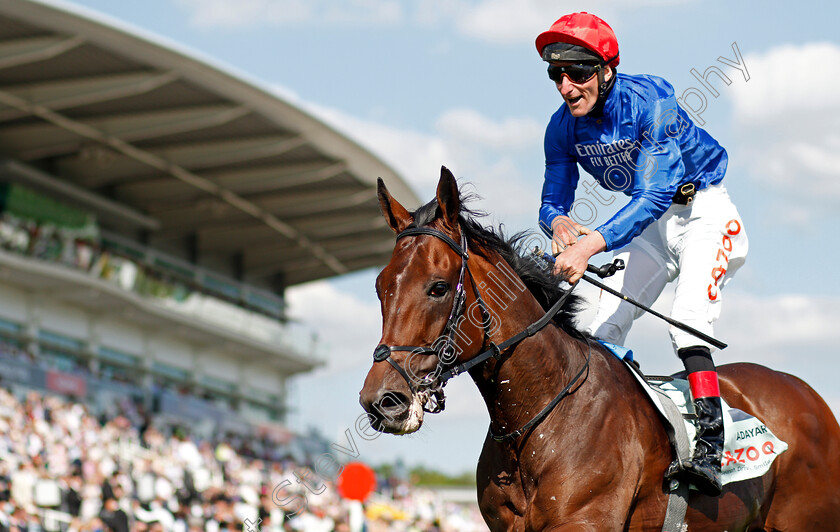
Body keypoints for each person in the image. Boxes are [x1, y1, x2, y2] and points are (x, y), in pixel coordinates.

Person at [535, 12, 748, 496]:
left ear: (608, 69)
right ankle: (610, 443)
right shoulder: (561, 128)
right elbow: (552, 202)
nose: (567, 87)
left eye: (579, 72)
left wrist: (591, 242)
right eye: (557, 74)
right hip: (651, 227)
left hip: (704, 213)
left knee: (686, 319)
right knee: (600, 328)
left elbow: (654, 194)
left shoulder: (652, 99)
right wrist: (559, 223)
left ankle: (712, 451)